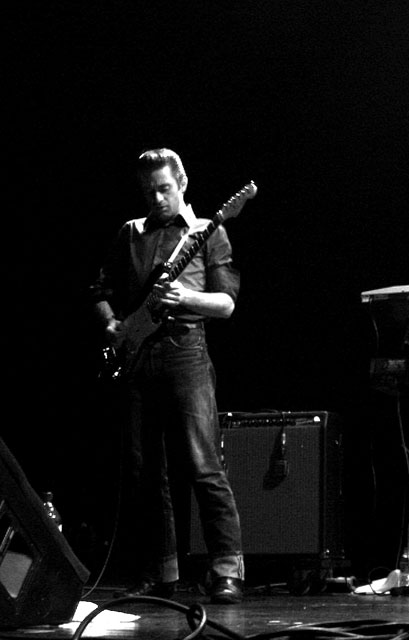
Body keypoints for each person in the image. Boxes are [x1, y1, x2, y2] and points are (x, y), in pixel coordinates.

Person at [89, 148, 244, 604]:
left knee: (201, 463)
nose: (157, 198)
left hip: (185, 352)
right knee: (144, 472)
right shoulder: (130, 233)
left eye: (164, 188)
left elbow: (226, 304)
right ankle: (161, 572)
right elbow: (100, 289)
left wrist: (185, 298)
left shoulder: (208, 232)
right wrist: (111, 324)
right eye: (149, 191)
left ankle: (226, 569)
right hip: (139, 358)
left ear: (183, 183)